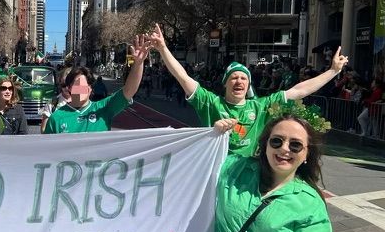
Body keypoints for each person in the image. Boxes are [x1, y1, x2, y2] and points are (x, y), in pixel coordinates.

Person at [148, 23, 349, 155]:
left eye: (244, 78)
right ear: (225, 82)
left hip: (248, 175)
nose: (239, 81)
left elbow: (299, 91)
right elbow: (183, 77)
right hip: (215, 172)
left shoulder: (260, 107)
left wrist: (332, 71)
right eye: (234, 77)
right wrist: (163, 49)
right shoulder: (210, 102)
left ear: (248, 85)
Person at [44, 35, 149, 134]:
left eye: (84, 86)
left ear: (90, 89)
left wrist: (138, 64)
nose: (80, 89)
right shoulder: (56, 118)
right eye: (77, 85)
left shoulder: (103, 108)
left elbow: (129, 91)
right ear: (69, 88)